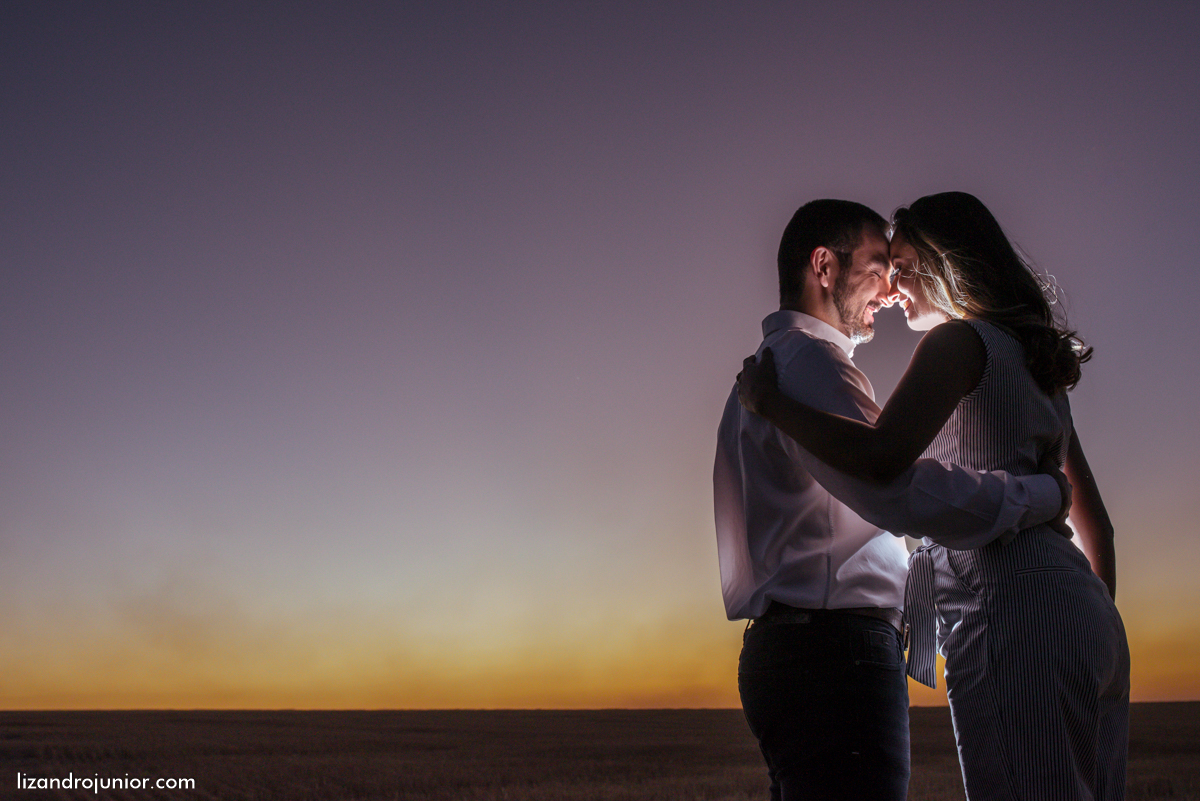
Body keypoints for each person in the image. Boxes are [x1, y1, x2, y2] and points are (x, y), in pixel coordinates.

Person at [738, 192, 1129, 801]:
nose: (895, 286)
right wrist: (1092, 621)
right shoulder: (1037, 363)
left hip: (1009, 610)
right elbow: (1096, 524)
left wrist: (772, 405)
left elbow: (883, 460)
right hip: (1084, 608)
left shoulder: (957, 344)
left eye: (904, 265)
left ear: (948, 265)